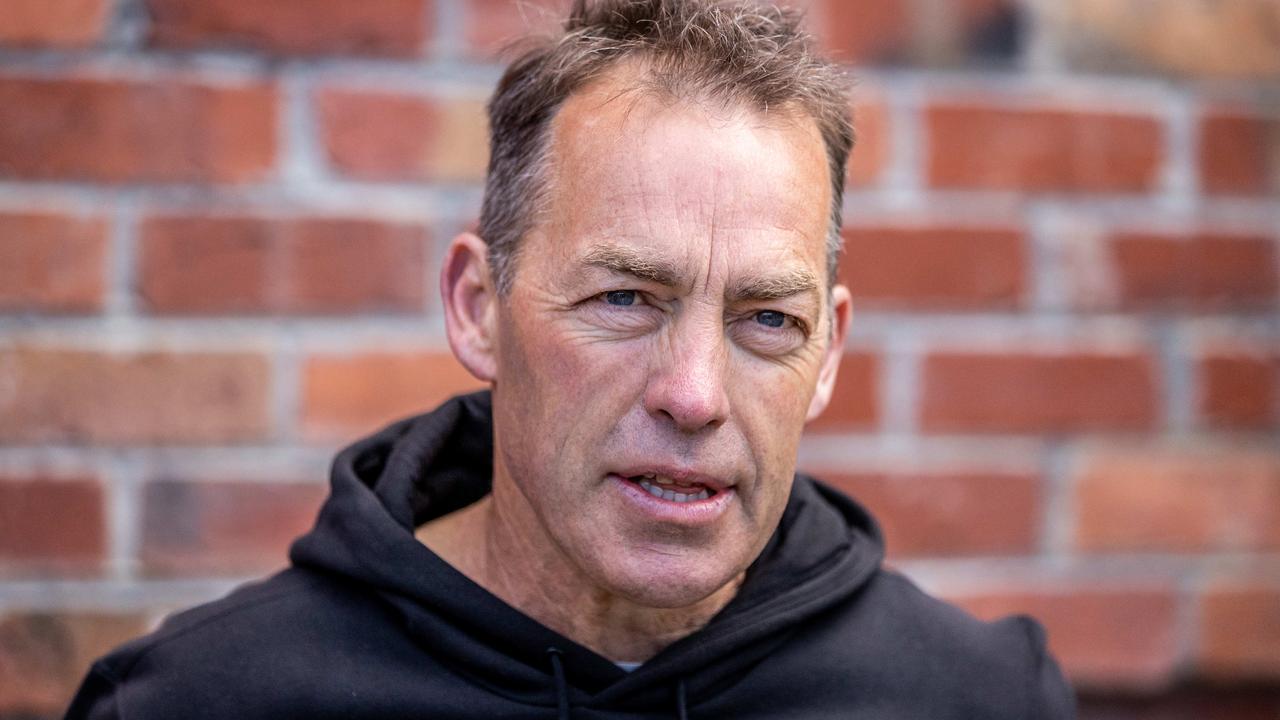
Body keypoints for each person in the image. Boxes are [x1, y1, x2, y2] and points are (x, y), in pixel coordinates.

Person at [66, 0, 1075, 717]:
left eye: (766, 321)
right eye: (625, 299)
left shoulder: (978, 697)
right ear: (478, 309)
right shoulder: (194, 702)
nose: (692, 395)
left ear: (827, 356)